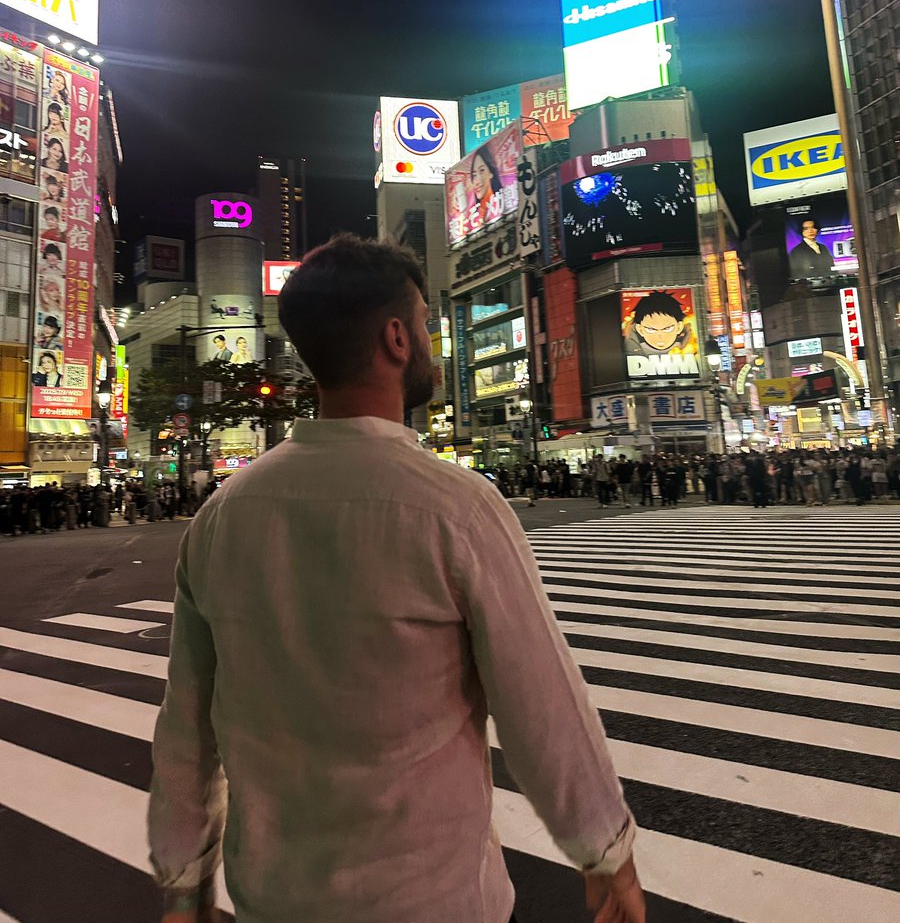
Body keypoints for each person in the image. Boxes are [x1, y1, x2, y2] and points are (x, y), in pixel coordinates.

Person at [148, 234, 643, 923]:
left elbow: (186, 727)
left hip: (275, 894)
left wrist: (183, 876)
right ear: (395, 338)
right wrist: (605, 850)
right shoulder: (456, 508)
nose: (433, 343)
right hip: (432, 896)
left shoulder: (222, 516)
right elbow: (543, 705)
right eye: (424, 324)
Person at [469, 147, 504, 227]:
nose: (477, 181)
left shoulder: (500, 205)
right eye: (474, 175)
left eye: (482, 170)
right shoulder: (475, 215)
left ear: (491, 173)